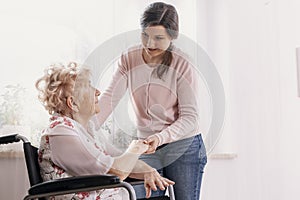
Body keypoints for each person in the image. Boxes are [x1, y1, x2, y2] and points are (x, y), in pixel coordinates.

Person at [95, 2, 207, 200]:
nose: (149, 44)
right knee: (137, 195)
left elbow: (190, 117)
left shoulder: (183, 63)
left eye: (158, 38)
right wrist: (83, 128)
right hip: (147, 146)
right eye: (145, 35)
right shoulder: (129, 58)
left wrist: (161, 138)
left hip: (183, 146)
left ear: (172, 37)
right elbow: (109, 98)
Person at [35, 62, 174, 200]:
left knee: (162, 187)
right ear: (73, 103)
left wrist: (147, 170)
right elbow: (115, 170)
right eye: (89, 87)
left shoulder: (88, 130)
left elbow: (118, 159)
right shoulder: (60, 132)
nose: (97, 92)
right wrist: (135, 149)